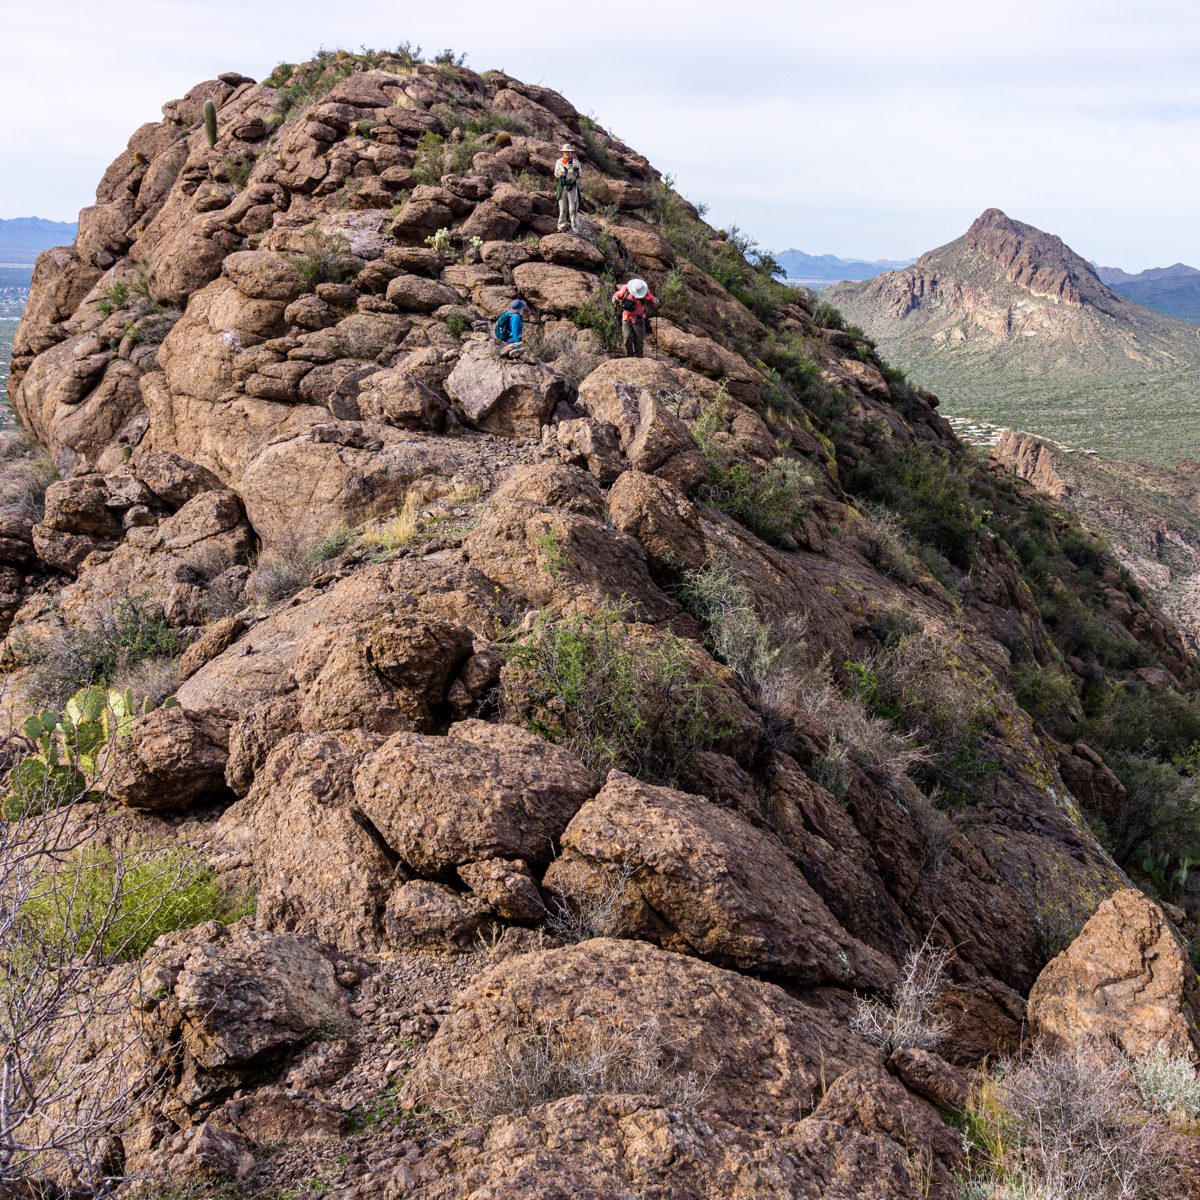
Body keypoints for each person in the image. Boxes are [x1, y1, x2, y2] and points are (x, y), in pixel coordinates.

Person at [611, 277, 658, 358]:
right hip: (627, 317)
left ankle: (639, 356)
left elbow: (650, 298)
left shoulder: (645, 291)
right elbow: (618, 294)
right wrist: (614, 298)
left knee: (639, 340)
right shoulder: (626, 288)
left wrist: (655, 301)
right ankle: (630, 355)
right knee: (627, 337)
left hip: (639, 319)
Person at [554, 143, 583, 233]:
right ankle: (561, 227)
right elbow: (556, 174)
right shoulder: (559, 162)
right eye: (566, 152)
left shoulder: (576, 163)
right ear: (563, 152)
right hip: (562, 186)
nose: (567, 153)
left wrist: (576, 172)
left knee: (572, 209)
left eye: (569, 152)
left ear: (572, 153)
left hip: (572, 187)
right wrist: (563, 171)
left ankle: (575, 228)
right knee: (562, 208)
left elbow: (581, 175)